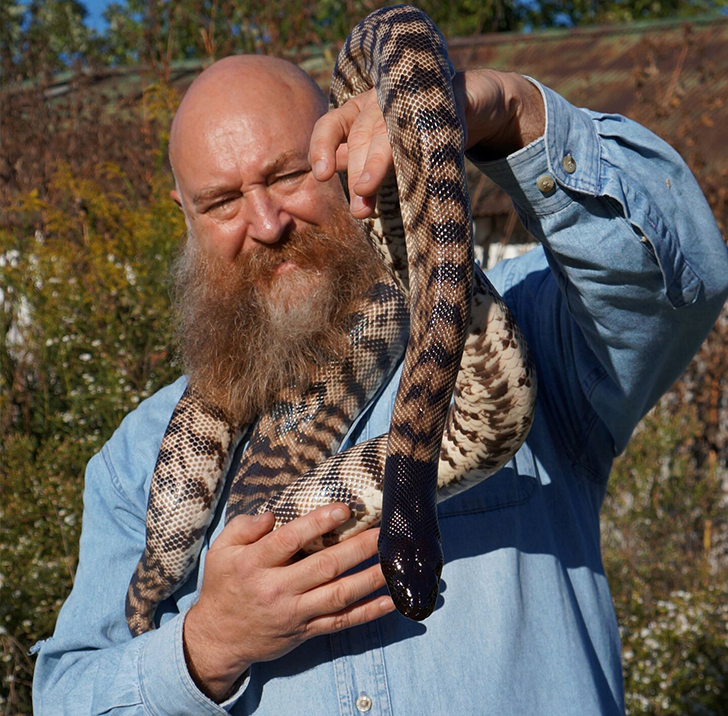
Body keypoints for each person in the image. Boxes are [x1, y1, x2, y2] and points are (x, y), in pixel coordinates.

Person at [32, 37, 728, 716]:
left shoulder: (527, 319)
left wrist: (512, 114)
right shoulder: (135, 459)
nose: (266, 222)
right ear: (187, 217)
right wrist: (205, 647)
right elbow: (66, 695)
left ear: (340, 155)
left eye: (286, 175)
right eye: (222, 202)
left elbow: (681, 276)